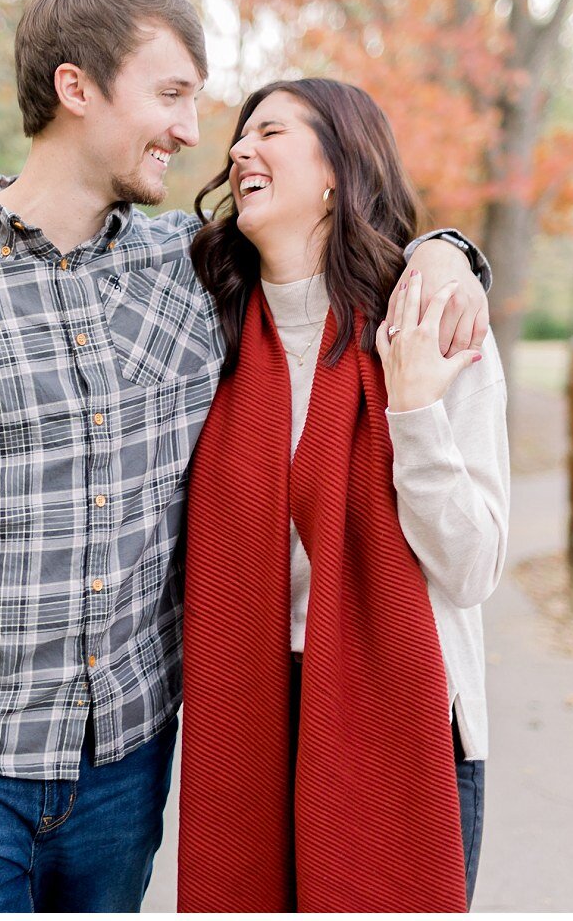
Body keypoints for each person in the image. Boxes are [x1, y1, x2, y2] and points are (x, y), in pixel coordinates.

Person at [0, 0, 493, 912]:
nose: (192, 131)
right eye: (171, 95)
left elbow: (339, 246)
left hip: (118, 770)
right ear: (78, 88)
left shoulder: (187, 271)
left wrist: (450, 251)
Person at [176, 79, 509, 912]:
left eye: (272, 132)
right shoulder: (201, 318)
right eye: (238, 140)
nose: (240, 151)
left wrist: (417, 409)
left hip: (408, 714)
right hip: (250, 713)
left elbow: (471, 569)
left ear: (339, 168)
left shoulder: (430, 318)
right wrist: (451, 241)